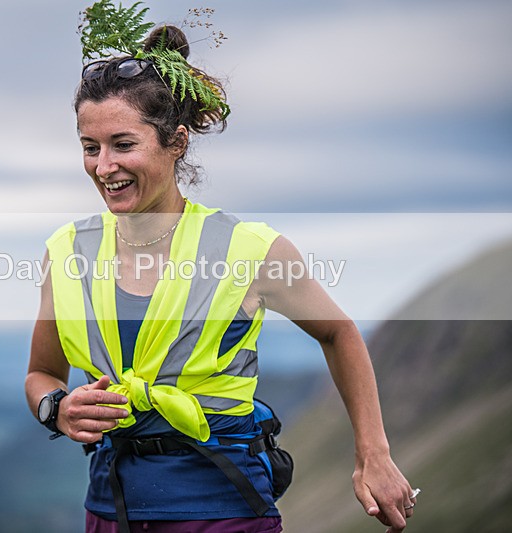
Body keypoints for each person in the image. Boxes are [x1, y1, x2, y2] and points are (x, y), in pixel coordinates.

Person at [26, 7, 416, 533]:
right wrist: (57, 408)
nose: (104, 166)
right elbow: (41, 374)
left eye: (123, 144)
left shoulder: (249, 250)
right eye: (89, 147)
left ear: (177, 141)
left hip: (224, 510)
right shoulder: (67, 252)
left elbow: (338, 332)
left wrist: (374, 454)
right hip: (109, 509)